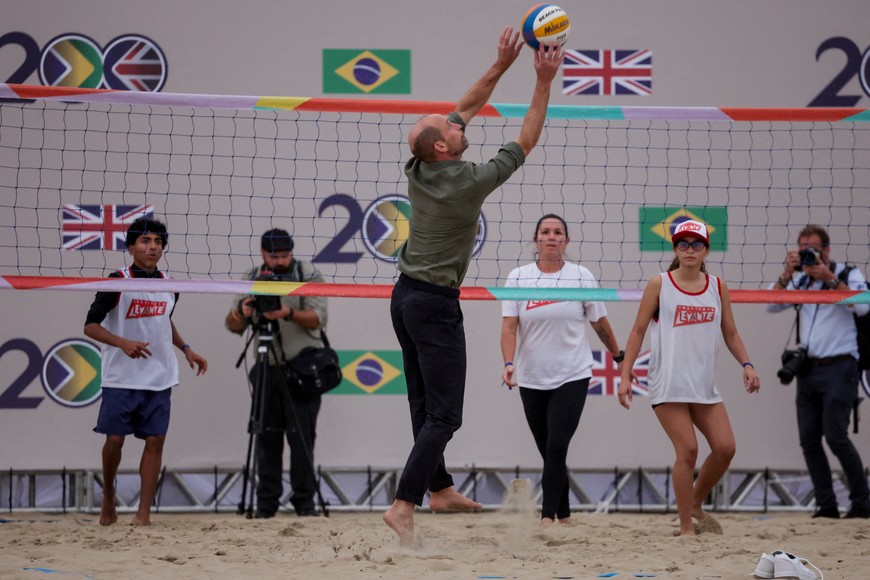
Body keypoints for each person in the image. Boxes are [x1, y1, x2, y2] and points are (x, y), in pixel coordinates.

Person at [384, 26, 563, 545]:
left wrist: (502, 63)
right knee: (445, 415)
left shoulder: (419, 165)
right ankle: (403, 504)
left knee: (422, 405)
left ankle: (438, 489)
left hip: (404, 298)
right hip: (434, 305)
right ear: (444, 146)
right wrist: (543, 80)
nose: (461, 124)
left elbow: (465, 105)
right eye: (453, 128)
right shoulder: (467, 182)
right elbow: (527, 137)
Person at [617, 220, 760, 536]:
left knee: (725, 448)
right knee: (688, 451)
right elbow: (638, 330)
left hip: (703, 385)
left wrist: (747, 364)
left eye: (697, 244)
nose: (690, 249)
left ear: (707, 250)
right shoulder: (660, 284)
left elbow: (731, 332)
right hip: (668, 384)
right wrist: (625, 376)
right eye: (683, 244)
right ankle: (686, 528)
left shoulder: (717, 286)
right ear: (675, 249)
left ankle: (694, 503)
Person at [501, 214, 636, 525]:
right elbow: (509, 328)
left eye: (558, 232)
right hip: (532, 376)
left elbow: (600, 322)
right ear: (536, 240)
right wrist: (509, 363)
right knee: (549, 451)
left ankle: (547, 516)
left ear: (566, 240)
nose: (551, 237)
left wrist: (618, 357)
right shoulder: (519, 277)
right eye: (545, 232)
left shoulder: (580, 276)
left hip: (573, 374)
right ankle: (564, 514)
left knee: (557, 444)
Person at [84, 217, 207, 526]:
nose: (152, 247)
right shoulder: (118, 280)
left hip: (159, 376)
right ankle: (109, 499)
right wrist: (122, 342)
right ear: (131, 247)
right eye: (145, 241)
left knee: (155, 443)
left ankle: (143, 515)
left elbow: (164, 321)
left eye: (157, 242)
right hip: (122, 377)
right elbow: (90, 326)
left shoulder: (170, 284)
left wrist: (186, 348)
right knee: (115, 440)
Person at [766, 224, 870, 519]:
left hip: (841, 366)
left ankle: (862, 503)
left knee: (836, 436)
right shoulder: (800, 281)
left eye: (813, 249)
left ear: (826, 250)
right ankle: (826, 506)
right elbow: (770, 307)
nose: (809, 255)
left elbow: (863, 308)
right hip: (808, 368)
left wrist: (830, 279)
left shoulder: (849, 275)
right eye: (803, 251)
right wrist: (787, 275)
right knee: (809, 440)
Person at [225, 228, 328, 518]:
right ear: (262, 254)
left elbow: (320, 319)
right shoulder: (253, 277)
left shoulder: (307, 274)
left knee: (302, 438)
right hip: (266, 366)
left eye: (285, 255)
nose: (281, 261)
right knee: (265, 437)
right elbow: (233, 325)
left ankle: (304, 502)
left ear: (292, 253)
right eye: (275, 256)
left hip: (302, 368)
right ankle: (266, 503)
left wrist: (287, 312)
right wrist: (243, 313)